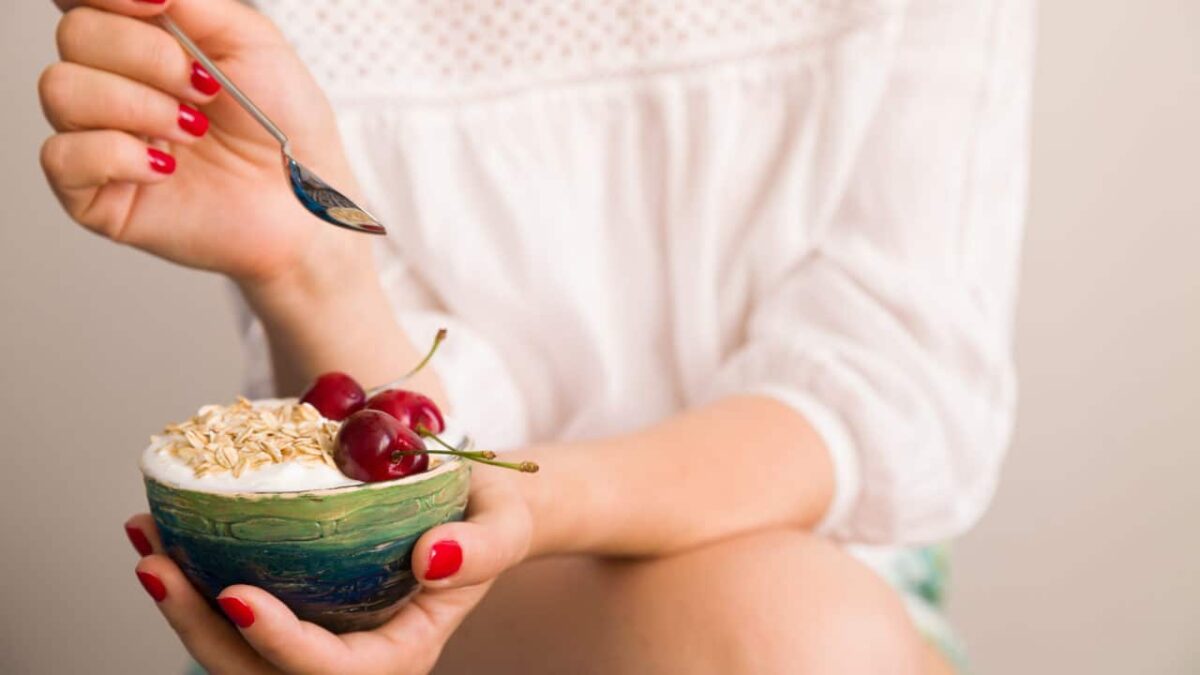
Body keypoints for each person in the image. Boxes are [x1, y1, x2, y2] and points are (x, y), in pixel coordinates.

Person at [39, 0, 1031, 672]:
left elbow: (888, 392)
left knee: (795, 632)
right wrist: (311, 271)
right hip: (429, 593)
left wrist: (527, 502)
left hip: (809, 587)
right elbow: (397, 445)